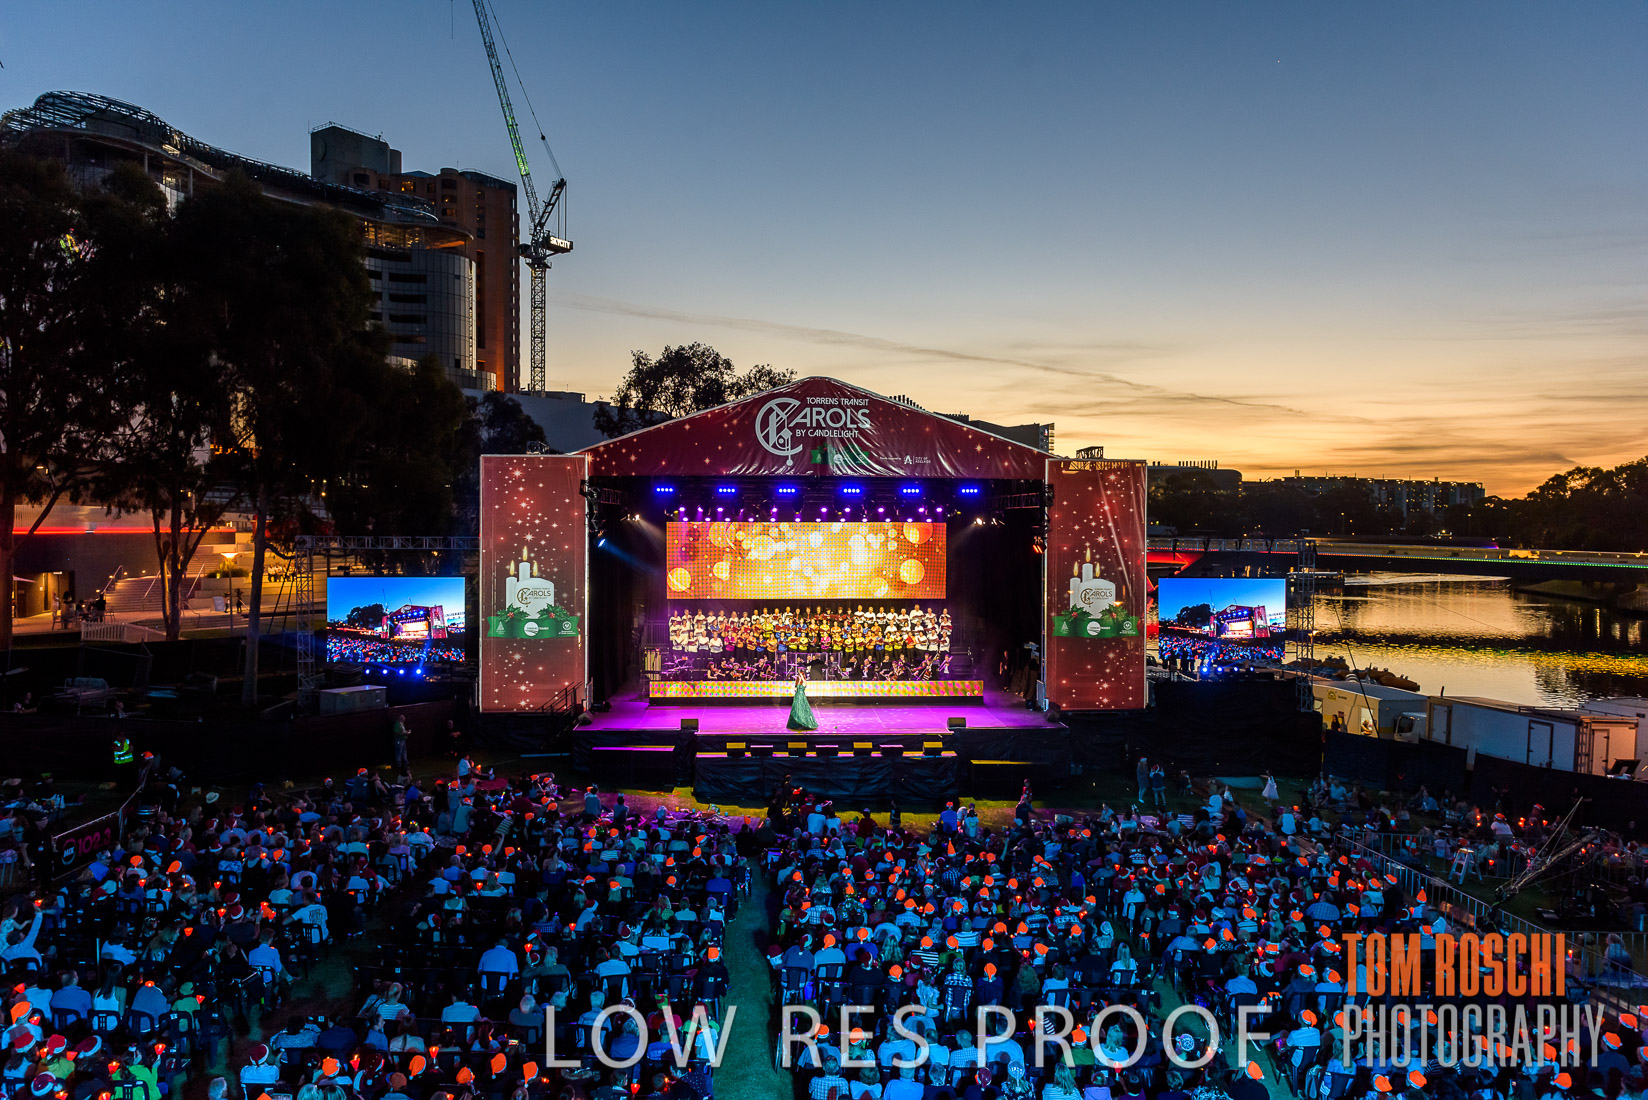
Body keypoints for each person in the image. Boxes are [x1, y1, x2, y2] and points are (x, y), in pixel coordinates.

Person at [787, 668, 818, 732]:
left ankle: (803, 722)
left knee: (802, 709)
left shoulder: (804, 682)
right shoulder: (798, 682)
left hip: (801, 696)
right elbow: (795, 688)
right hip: (797, 696)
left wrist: (801, 675)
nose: (799, 676)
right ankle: (797, 722)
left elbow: (804, 683)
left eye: (801, 675)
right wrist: (798, 679)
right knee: (796, 709)